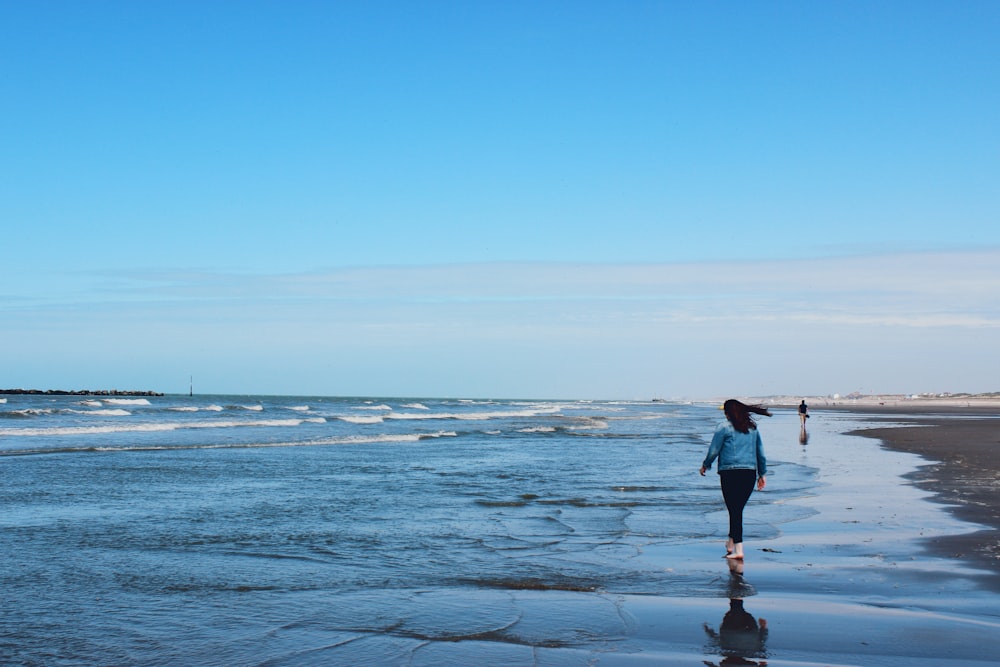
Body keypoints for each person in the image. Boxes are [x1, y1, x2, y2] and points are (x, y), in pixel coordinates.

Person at [700, 399, 770, 560]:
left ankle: (738, 549)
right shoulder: (752, 428)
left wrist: (705, 465)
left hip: (729, 472)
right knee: (736, 509)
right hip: (749, 473)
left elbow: (714, 449)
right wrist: (762, 474)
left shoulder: (723, 427)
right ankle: (731, 542)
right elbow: (760, 452)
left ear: (727, 413)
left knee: (735, 509)